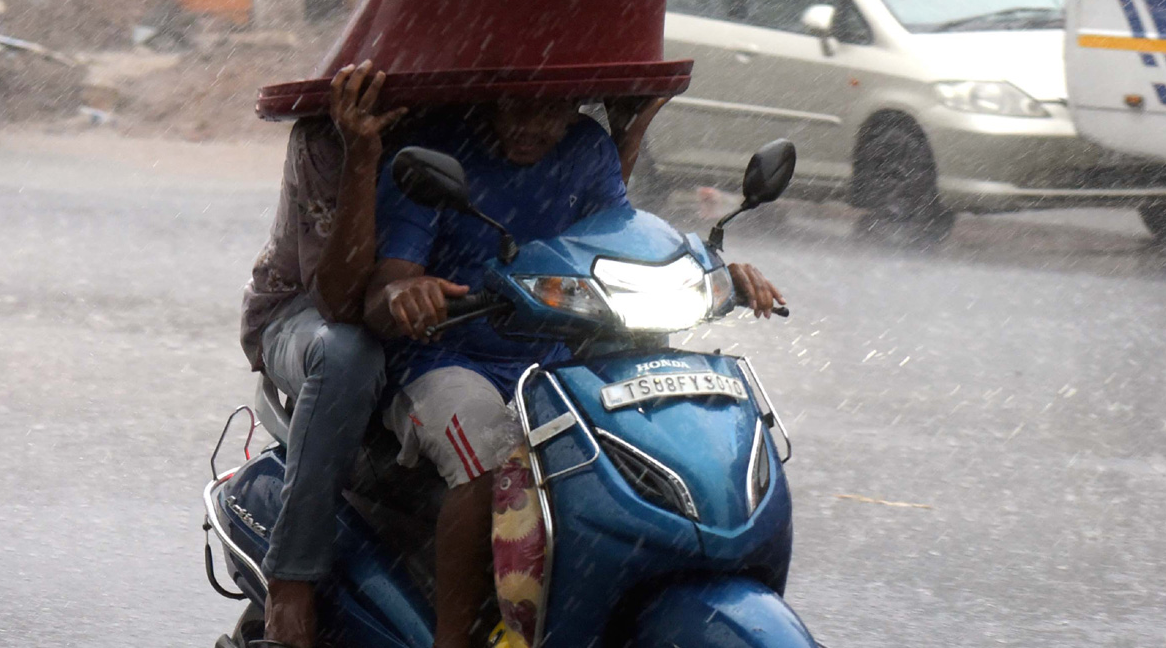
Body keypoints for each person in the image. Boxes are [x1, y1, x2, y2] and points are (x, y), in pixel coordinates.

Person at [364, 95, 784, 648]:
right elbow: (381, 291)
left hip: (552, 362)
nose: (529, 124)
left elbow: (619, 237)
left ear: (572, 108)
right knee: (491, 461)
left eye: (547, 110)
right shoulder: (438, 153)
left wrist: (716, 275)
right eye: (515, 106)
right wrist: (404, 293)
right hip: (448, 359)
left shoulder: (587, 148)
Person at [239, 60, 405, 648]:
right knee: (346, 354)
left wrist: (630, 130)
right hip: (300, 313)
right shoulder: (326, 134)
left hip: (432, 318)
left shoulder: (505, 129)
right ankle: (293, 578)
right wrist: (363, 153)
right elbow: (337, 298)